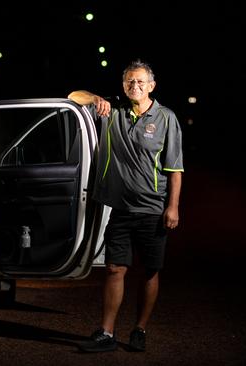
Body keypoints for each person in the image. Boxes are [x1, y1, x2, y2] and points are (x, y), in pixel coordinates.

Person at [68, 59, 184, 352]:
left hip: (152, 209)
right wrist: (95, 99)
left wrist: (173, 207)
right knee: (114, 268)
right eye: (130, 82)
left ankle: (139, 329)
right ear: (124, 85)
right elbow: (72, 97)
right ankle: (106, 333)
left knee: (149, 271)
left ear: (152, 86)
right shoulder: (112, 110)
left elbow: (175, 169)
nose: (135, 86)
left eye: (140, 82)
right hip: (119, 208)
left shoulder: (167, 118)